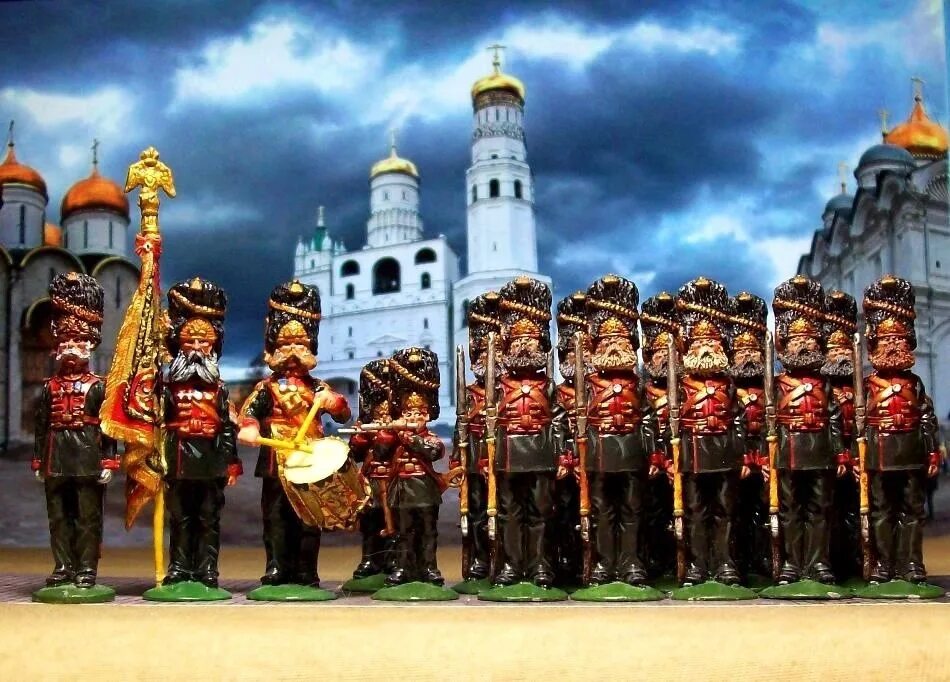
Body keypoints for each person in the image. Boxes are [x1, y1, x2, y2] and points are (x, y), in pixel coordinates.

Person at [238, 280, 351, 588]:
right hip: (276, 459)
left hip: (308, 460)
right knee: (275, 519)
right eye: (286, 346)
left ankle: (305, 571)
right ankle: (276, 568)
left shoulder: (316, 387)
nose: (293, 353)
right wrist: (249, 427)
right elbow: (249, 413)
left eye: (300, 346)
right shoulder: (267, 388)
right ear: (272, 349)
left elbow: (343, 412)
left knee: (308, 519)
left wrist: (333, 401)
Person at [33, 273, 117, 590]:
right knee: (58, 516)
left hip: (87, 454)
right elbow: (42, 426)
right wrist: (39, 460)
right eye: (66, 343)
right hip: (56, 456)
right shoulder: (49, 387)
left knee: (87, 516)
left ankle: (86, 568)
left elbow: (107, 425)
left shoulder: (98, 387)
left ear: (89, 346)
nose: (71, 349)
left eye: (77, 343)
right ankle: (63, 565)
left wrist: (109, 460)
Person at [161, 278, 240, 588]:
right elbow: (160, 424)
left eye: (202, 343)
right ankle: (179, 567)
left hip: (209, 461)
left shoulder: (219, 390)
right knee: (179, 518)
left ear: (213, 347)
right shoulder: (167, 389)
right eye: (189, 342)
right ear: (179, 345)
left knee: (208, 518)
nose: (196, 349)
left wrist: (231, 462)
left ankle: (207, 569)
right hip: (178, 458)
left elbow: (225, 427)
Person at [862, 275, 940, 584]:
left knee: (912, 510)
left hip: (910, 452)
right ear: (875, 344)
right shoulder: (867, 386)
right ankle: (885, 564)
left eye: (898, 340)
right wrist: (857, 457)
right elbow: (859, 424)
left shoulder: (914, 384)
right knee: (882, 511)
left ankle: (911, 563)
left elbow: (926, 418)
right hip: (880, 454)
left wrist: (932, 451)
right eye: (886, 340)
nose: (893, 345)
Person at [492, 277, 567, 588]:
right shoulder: (498, 387)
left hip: (541, 452)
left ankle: (540, 567)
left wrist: (563, 454)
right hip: (509, 454)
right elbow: (489, 425)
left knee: (541, 513)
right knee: (509, 514)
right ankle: (511, 565)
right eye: (518, 341)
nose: (524, 346)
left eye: (531, 340)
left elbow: (559, 420)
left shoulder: (547, 386)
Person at [770, 275, 845, 585]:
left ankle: (818, 563)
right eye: (797, 340)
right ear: (785, 345)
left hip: (820, 451)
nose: (804, 345)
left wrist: (840, 452)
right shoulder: (777, 385)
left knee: (819, 510)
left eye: (811, 340)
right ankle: (791, 563)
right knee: (789, 511)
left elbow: (835, 418)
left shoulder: (824, 384)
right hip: (788, 450)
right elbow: (768, 424)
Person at [583, 275, 655, 586]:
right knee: (602, 512)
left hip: (631, 453)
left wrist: (650, 450)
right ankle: (604, 564)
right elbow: (578, 423)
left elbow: (650, 419)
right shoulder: (587, 386)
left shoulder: (639, 386)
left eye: (622, 342)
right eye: (608, 341)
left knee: (631, 511)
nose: (615, 347)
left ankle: (631, 564)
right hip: (600, 453)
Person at [673, 277, 745, 586]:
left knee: (724, 512)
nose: (706, 349)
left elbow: (739, 420)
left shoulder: (728, 385)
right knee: (695, 512)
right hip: (692, 453)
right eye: (700, 343)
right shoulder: (680, 386)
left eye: (712, 343)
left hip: (724, 452)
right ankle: (697, 565)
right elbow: (669, 425)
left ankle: (724, 563)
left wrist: (740, 453)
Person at [385, 347, 446, 586]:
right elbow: (380, 451)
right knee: (403, 533)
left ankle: (429, 568)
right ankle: (403, 568)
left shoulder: (429, 437)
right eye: (408, 412)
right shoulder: (394, 435)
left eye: (418, 413)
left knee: (428, 532)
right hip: (401, 489)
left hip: (424, 489)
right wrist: (387, 432)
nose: (413, 417)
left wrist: (409, 437)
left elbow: (432, 451)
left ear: (427, 415)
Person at [452, 292, 502, 583]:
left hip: (502, 462)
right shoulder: (470, 396)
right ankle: (481, 560)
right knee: (477, 517)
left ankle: (505, 560)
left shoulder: (507, 393)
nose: (489, 361)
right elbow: (463, 433)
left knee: (503, 515)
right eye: (483, 356)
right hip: (474, 466)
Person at [730, 292, 770, 580]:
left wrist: (768, 458)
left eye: (752, 352)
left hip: (766, 460)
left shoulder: (771, 387)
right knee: (736, 514)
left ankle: (763, 559)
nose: (747, 358)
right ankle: (738, 560)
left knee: (767, 513)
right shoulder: (731, 390)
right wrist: (742, 454)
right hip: (739, 460)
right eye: (742, 352)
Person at [822, 290, 860, 581]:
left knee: (857, 514)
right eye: (834, 351)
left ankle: (858, 562)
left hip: (859, 460)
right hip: (827, 458)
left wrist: (858, 456)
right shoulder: (823, 388)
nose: (840, 355)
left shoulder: (864, 386)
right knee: (828, 514)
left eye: (845, 349)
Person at [640, 293, 679, 579]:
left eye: (671, 352)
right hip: (653, 464)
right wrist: (654, 455)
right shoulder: (644, 393)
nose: (665, 358)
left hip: (685, 459)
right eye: (658, 354)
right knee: (651, 515)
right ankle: (653, 562)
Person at [348, 359, 397, 580]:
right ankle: (370, 559)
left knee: (395, 521)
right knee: (370, 522)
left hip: (395, 476)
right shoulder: (366, 422)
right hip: (371, 478)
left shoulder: (401, 421)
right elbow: (356, 455)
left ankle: (394, 560)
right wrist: (359, 439)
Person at [552, 291, 587, 586]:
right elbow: (555, 426)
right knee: (563, 516)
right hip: (566, 464)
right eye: (570, 356)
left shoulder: (596, 389)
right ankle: (565, 561)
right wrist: (564, 455)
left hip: (596, 460)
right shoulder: (558, 392)